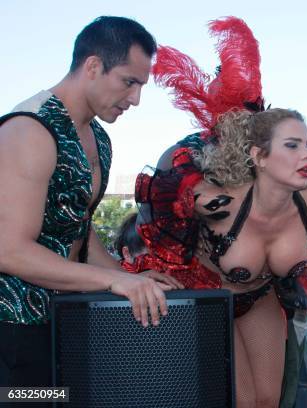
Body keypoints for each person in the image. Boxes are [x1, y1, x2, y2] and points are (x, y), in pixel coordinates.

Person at [132, 17, 307, 408]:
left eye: (306, 145)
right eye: (292, 146)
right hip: (207, 299)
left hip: (259, 299)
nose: (306, 155)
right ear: (258, 154)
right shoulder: (215, 199)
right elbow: (161, 217)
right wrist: (153, 271)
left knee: (267, 402)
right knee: (239, 402)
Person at [0, 16, 179, 389]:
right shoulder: (29, 130)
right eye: (129, 82)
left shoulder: (97, 136)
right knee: (26, 401)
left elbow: (77, 227)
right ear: (93, 66)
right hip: (13, 334)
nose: (136, 99)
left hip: (65, 321)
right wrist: (112, 281)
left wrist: (129, 277)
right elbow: (9, 251)